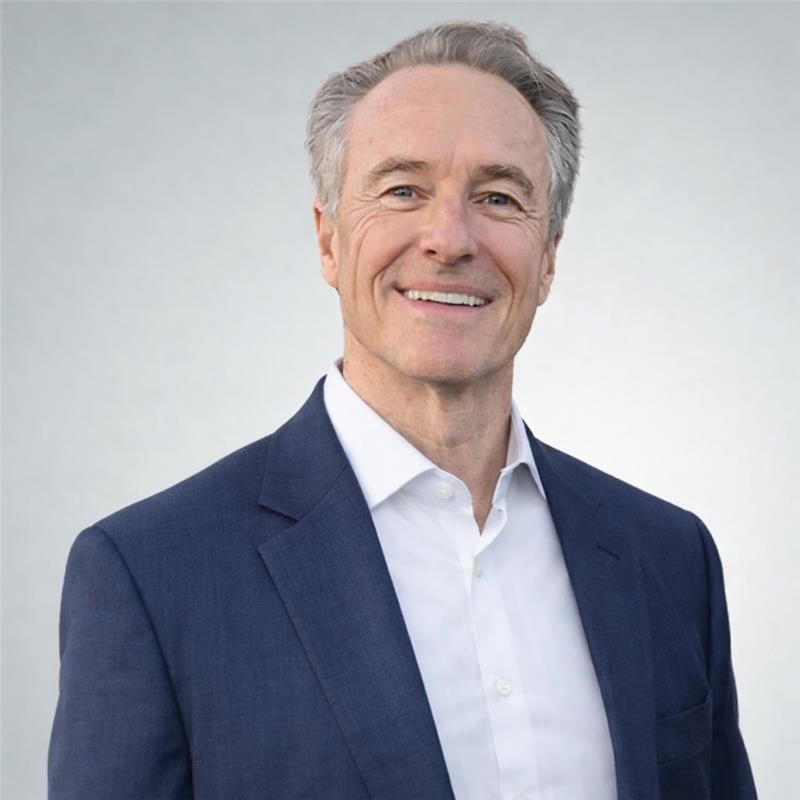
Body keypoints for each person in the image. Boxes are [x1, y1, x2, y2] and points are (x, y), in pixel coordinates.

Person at [48, 20, 756, 800]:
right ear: (328, 241)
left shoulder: (669, 558)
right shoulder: (153, 576)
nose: (449, 239)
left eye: (498, 197)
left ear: (549, 257)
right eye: (403, 191)